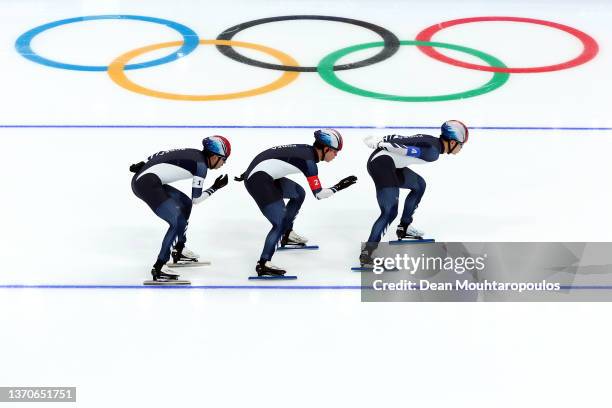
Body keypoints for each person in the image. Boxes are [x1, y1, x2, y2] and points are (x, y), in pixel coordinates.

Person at [236, 129, 357, 277]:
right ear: (326, 149)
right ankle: (263, 263)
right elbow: (319, 194)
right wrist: (339, 186)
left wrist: (249, 171)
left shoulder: (306, 150)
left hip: (262, 175)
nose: (336, 155)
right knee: (278, 223)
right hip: (259, 181)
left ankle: (287, 234)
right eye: (335, 151)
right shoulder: (309, 162)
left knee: (299, 193)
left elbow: (272, 154)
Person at [360, 120, 468, 265]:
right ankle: (367, 252)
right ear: (453, 142)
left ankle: (404, 228)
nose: (461, 148)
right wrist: (380, 143)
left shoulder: (432, 141)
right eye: (461, 145)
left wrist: (383, 140)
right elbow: (403, 149)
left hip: (390, 162)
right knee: (390, 211)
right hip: (382, 164)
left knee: (419, 185)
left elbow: (399, 138)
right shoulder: (433, 152)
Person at [130, 136, 231, 282]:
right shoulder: (201, 166)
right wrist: (215, 187)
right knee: (178, 220)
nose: (223, 163)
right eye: (224, 159)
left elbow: (159, 154)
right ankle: (159, 267)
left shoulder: (195, 153)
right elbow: (196, 199)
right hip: (146, 183)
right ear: (214, 156)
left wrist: (144, 164)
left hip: (148, 179)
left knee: (185, 203)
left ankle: (179, 249)